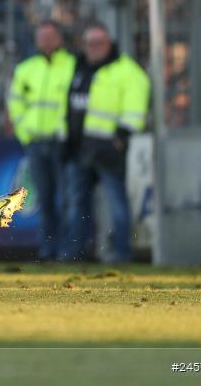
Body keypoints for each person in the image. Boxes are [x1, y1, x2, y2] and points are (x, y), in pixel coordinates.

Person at [62, 21, 149, 263]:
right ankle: (75, 254)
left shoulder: (126, 70)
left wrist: (121, 136)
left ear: (108, 43)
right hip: (80, 148)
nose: (94, 48)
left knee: (116, 204)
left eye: (99, 43)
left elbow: (136, 105)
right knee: (77, 206)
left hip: (107, 149)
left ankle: (122, 253)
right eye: (89, 43)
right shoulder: (78, 67)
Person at [7, 20, 75, 261]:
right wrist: (26, 134)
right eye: (42, 36)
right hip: (35, 142)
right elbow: (15, 103)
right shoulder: (26, 68)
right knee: (44, 200)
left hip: (63, 143)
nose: (46, 41)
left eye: (50, 36)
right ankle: (48, 251)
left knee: (68, 199)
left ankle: (69, 251)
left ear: (60, 38)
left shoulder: (72, 66)